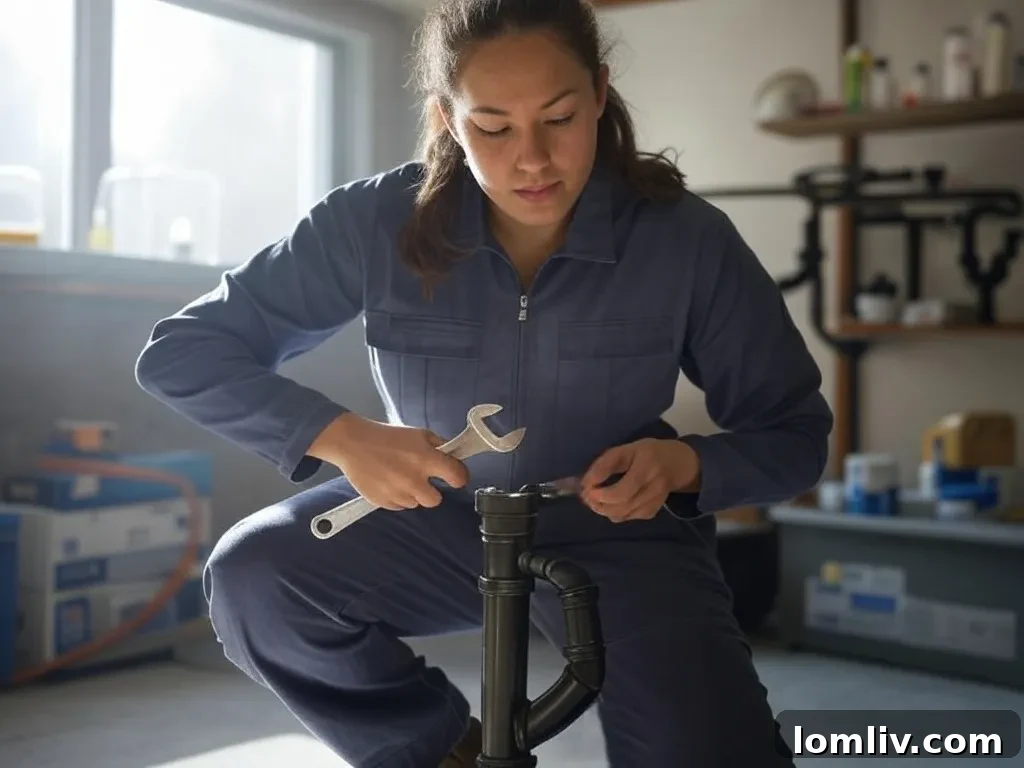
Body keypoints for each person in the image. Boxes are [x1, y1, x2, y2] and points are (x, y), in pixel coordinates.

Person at [135, 0, 833, 765]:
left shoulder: (687, 239)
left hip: (625, 534)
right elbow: (182, 354)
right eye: (493, 128)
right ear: (446, 119)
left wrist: (684, 465)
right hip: (436, 519)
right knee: (255, 575)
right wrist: (344, 438)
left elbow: (796, 436)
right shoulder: (372, 220)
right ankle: (437, 752)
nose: (533, 160)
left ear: (600, 94)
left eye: (560, 119)